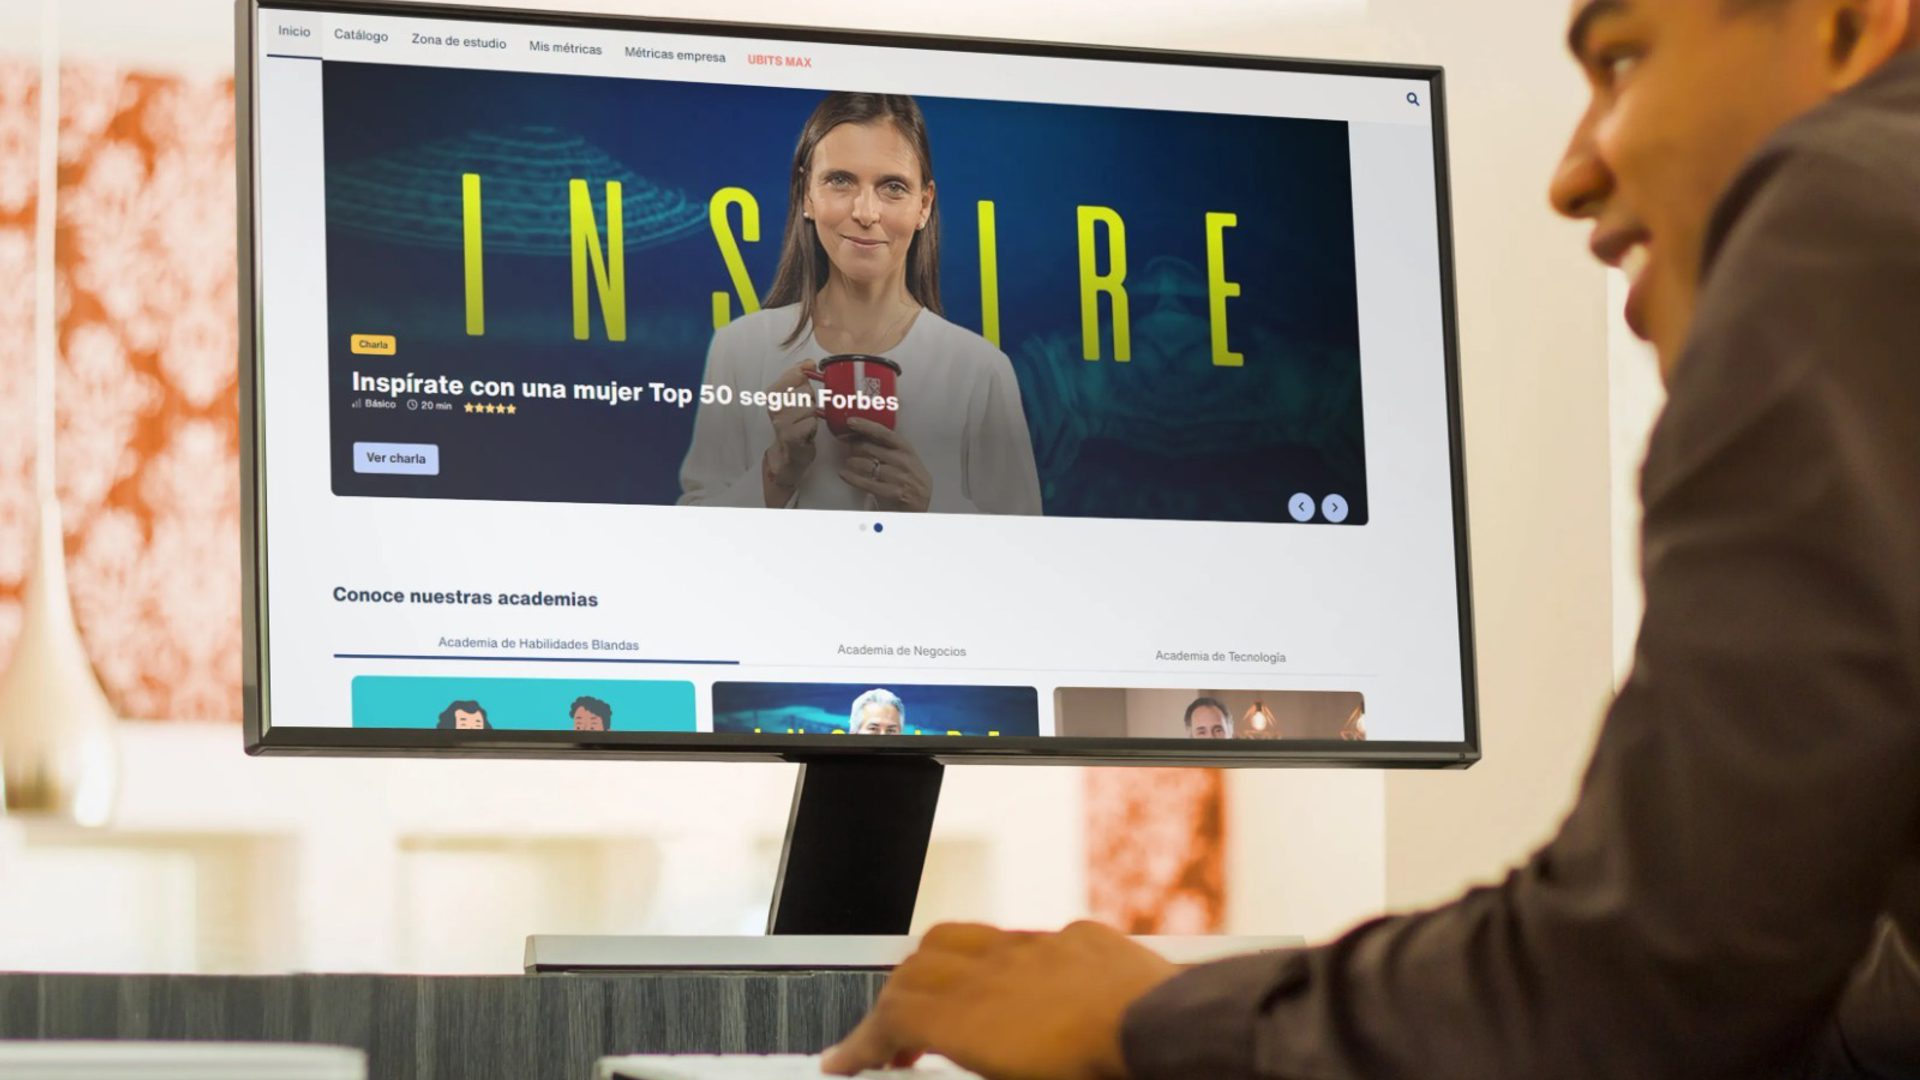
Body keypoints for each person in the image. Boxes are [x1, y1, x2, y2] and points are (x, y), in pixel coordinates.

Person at [822, 1, 1920, 1076]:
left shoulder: (1840, 202)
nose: (1571, 174)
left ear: (1849, 22)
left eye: (1624, 58)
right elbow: (1839, 1001)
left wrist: (1152, 1020)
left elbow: (1653, 973)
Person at [678, 92, 1043, 515]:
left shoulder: (981, 370)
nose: (865, 212)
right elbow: (695, 536)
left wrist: (929, 503)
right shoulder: (739, 349)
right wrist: (777, 471)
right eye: (840, 181)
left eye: (892, 187)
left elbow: (1020, 556)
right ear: (807, 195)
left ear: (923, 205)